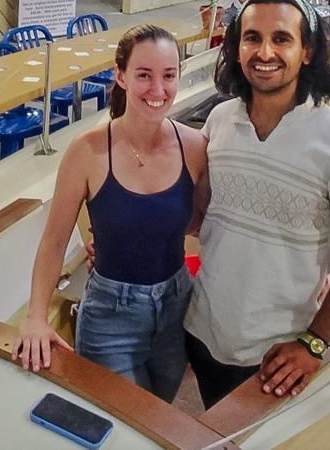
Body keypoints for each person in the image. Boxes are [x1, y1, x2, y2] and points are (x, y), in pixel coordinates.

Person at [184, 0, 330, 408]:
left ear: (306, 51)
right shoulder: (220, 122)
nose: (265, 52)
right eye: (252, 38)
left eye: (281, 38)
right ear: (236, 47)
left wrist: (315, 343)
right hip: (204, 331)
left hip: (278, 353)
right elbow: (196, 215)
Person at [15, 24, 208, 402]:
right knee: (121, 418)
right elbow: (53, 242)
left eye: (168, 76)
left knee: (156, 414)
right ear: (120, 75)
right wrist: (36, 316)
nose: (158, 90)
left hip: (175, 308)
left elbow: (204, 223)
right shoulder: (87, 151)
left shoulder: (195, 146)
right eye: (143, 75)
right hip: (109, 315)